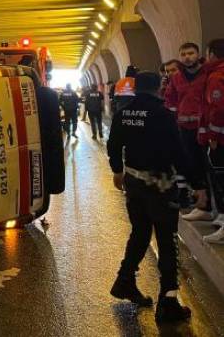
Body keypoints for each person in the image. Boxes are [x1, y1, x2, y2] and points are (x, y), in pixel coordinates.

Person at [107, 71, 207, 323]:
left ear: (136, 88)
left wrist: (117, 170)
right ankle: (168, 301)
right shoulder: (163, 115)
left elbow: (113, 143)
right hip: (159, 186)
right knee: (166, 240)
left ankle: (125, 280)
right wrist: (197, 184)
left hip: (133, 183)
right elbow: (178, 152)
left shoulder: (124, 113)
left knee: (140, 233)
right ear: (159, 88)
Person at [166, 43, 212, 222]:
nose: (187, 57)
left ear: (198, 54)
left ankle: (214, 207)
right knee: (192, 165)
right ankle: (203, 206)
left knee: (211, 167)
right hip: (185, 129)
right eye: (183, 54)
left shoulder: (207, 73)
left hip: (206, 128)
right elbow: (170, 99)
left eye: (191, 53)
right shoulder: (176, 78)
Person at [198, 39, 224, 243]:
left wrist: (213, 136)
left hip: (220, 139)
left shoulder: (216, 76)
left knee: (220, 178)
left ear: (213, 55)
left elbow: (217, 109)